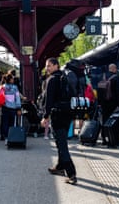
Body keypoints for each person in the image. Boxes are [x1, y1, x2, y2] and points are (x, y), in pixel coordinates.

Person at [40, 57, 77, 185]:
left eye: (49, 65)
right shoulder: (65, 77)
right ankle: (60, 167)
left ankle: (71, 173)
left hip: (58, 115)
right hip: (67, 114)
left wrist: (45, 117)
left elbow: (49, 101)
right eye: (46, 66)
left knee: (62, 145)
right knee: (61, 141)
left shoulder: (52, 80)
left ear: (56, 66)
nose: (47, 68)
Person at [99, 63, 119, 145]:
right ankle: (114, 139)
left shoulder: (103, 77)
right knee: (114, 122)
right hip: (113, 104)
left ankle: (104, 138)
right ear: (114, 69)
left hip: (104, 104)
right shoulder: (116, 78)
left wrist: (100, 103)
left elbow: (99, 91)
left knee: (104, 121)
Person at [0, 73, 22, 144]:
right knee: (12, 123)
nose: (13, 80)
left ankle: (5, 137)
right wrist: (18, 108)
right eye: (12, 78)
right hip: (13, 108)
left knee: (5, 123)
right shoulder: (15, 88)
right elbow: (17, 98)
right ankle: (11, 137)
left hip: (5, 107)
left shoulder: (2, 87)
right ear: (10, 80)